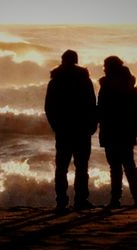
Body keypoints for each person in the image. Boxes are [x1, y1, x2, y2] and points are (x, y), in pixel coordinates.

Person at [45, 50, 97, 211]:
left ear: (62, 60)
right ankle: (81, 200)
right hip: (82, 128)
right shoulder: (84, 80)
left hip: (63, 130)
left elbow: (49, 107)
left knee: (61, 167)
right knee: (81, 166)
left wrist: (55, 126)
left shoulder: (55, 81)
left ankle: (61, 201)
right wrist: (92, 125)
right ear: (76, 60)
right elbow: (91, 105)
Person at [96, 56, 137, 209]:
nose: (103, 68)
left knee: (115, 166)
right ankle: (136, 199)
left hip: (111, 129)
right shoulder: (129, 84)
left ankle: (115, 200)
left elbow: (102, 108)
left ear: (111, 68)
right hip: (126, 130)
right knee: (129, 165)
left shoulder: (106, 85)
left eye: (105, 66)